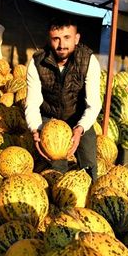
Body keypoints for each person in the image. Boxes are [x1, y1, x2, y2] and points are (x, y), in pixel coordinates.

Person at [24, 15, 102, 180]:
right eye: (56, 39)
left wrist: (80, 128)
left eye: (67, 38)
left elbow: (93, 104)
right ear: (49, 39)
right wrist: (36, 129)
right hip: (50, 117)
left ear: (76, 38)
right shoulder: (37, 62)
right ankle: (57, 200)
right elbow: (32, 103)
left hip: (78, 116)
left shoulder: (89, 61)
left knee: (89, 167)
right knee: (56, 166)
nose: (61, 45)